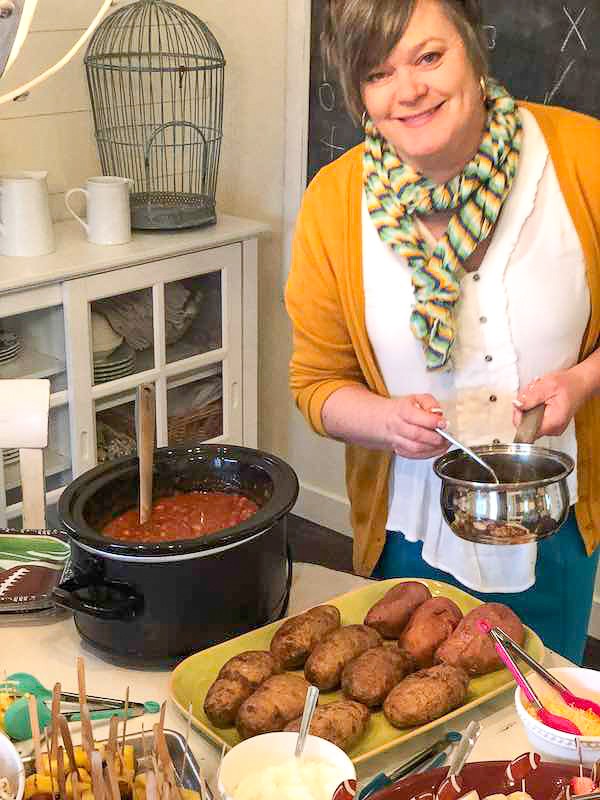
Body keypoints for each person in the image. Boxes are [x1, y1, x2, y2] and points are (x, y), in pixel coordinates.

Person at [285, 0, 600, 663]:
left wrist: (581, 379)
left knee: (545, 737)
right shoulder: (333, 203)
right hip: (409, 532)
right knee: (410, 733)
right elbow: (316, 384)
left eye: (429, 56)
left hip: (554, 528)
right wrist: (384, 420)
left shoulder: (582, 159)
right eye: (379, 72)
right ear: (359, 93)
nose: (410, 90)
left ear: (474, 53)